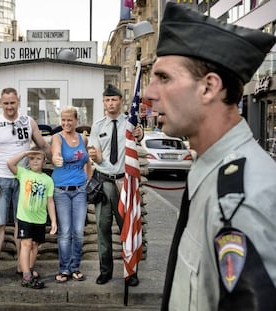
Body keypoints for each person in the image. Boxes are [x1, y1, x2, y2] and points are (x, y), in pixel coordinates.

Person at [143, 3, 276, 310]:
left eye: (163, 78)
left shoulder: (245, 200)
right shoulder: (209, 169)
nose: (149, 93)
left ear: (209, 87)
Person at [0, 87, 51, 282]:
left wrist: (56, 160)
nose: (9, 107)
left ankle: (22, 265)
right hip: (0, 179)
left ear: (18, 100)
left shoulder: (28, 122)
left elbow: (42, 145)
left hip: (24, 180)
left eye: (12, 102)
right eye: (5, 103)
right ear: (0, 103)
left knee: (22, 224)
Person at [88, 84, 143, 286]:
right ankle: (105, 271)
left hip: (123, 183)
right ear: (104, 102)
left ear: (121, 101)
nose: (111, 103)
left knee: (126, 228)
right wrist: (93, 154)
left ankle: (131, 272)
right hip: (103, 182)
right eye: (107, 100)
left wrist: (140, 135)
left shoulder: (129, 123)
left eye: (114, 99)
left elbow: (137, 137)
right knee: (103, 229)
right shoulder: (98, 126)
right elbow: (93, 151)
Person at [51, 106, 92, 283]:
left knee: (79, 232)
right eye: (63, 120)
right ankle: (64, 269)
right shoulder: (57, 137)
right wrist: (56, 158)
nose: (66, 123)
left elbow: (87, 161)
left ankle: (75, 267)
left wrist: (88, 179)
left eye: (69, 120)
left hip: (80, 190)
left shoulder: (83, 138)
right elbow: (55, 153)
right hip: (62, 191)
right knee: (65, 232)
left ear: (76, 120)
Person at [7, 147, 57, 289]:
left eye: (38, 158)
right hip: (25, 217)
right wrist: (24, 153)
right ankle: (27, 276)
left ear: (44, 161)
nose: (35, 161)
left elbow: (50, 201)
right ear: (28, 160)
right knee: (26, 244)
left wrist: (53, 220)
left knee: (35, 246)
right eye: (32, 158)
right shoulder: (23, 173)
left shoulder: (48, 180)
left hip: (40, 219)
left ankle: (27, 270)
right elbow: (10, 164)